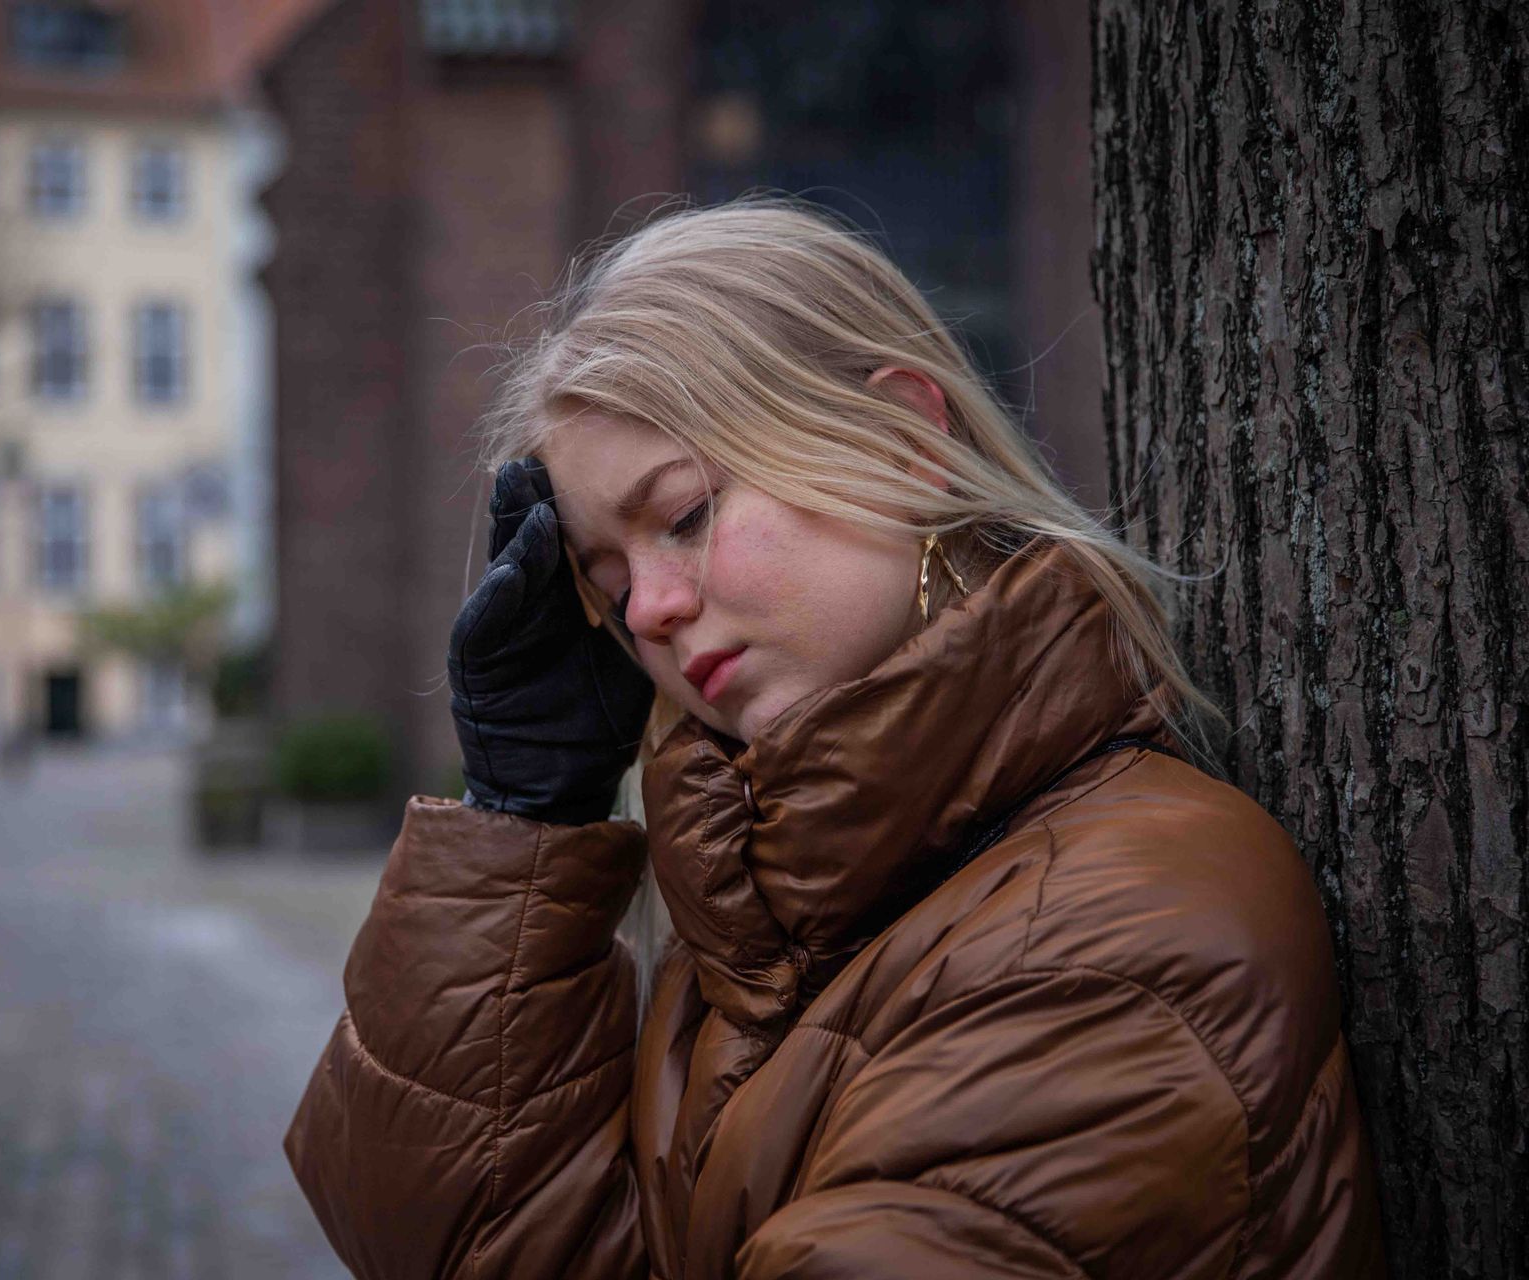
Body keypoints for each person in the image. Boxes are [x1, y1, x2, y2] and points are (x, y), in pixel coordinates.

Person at [285, 200, 1384, 1278]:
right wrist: (524, 820)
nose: (652, 611)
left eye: (686, 515)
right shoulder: (772, 928)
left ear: (906, 440)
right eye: (611, 587)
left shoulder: (1119, 943)